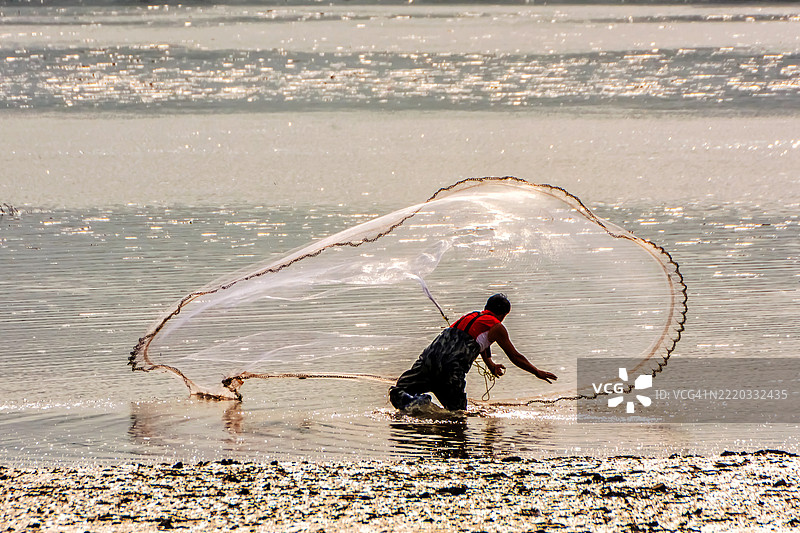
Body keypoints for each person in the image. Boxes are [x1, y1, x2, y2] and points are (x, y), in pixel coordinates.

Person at [389, 293, 557, 412]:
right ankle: (423, 406)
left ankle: (416, 402)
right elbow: (515, 356)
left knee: (399, 390)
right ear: (503, 314)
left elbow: (480, 340)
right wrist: (536, 372)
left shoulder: (470, 316)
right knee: (457, 414)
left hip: (427, 360)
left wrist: (490, 363)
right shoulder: (497, 327)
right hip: (451, 368)